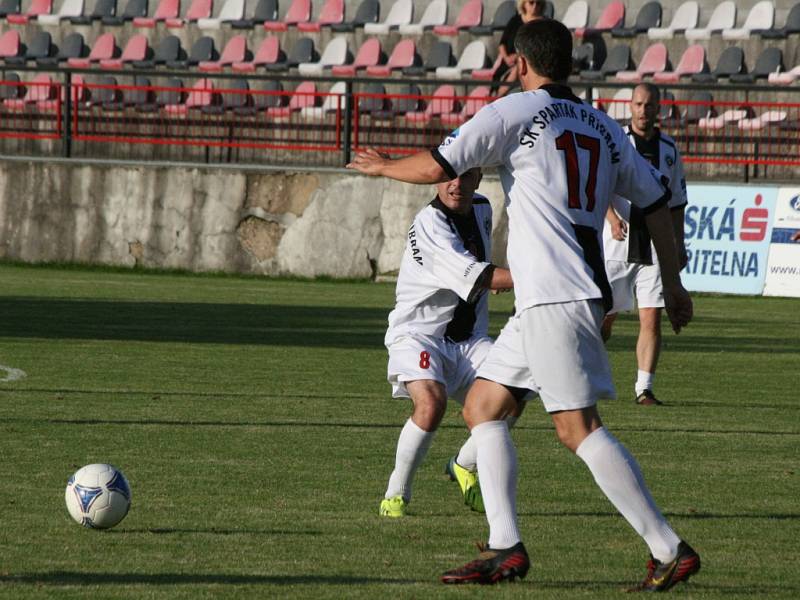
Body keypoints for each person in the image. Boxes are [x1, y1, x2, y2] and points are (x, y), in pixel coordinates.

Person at [348, 19, 700, 592]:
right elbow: (658, 202)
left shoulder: (515, 110)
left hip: (554, 296)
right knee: (482, 407)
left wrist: (384, 165)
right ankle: (506, 546)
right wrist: (676, 281)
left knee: (578, 428)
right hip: (563, 293)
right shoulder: (605, 127)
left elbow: (439, 165)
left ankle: (669, 548)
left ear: (517, 61)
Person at [380, 168, 530, 518]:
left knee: (514, 392)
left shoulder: (482, 207)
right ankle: (396, 493)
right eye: (449, 176)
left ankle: (464, 464)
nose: (456, 185)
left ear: (478, 179)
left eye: (465, 177)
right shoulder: (430, 225)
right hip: (419, 334)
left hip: (468, 341)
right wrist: (543, 281)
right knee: (431, 404)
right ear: (434, 177)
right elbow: (482, 277)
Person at [601, 83, 688, 406]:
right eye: (638, 104)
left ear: (658, 109)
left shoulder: (669, 149)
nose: (643, 110)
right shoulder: (616, 141)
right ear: (631, 106)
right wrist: (611, 218)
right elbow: (600, 185)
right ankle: (586, 373)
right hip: (618, 243)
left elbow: (677, 202)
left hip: (652, 247)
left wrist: (677, 244)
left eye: (649, 105)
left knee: (651, 317)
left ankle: (644, 388)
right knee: (604, 318)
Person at [494, 0, 547, 95]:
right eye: (531, 2)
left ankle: (498, 96)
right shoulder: (515, 21)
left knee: (519, 67)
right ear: (524, 4)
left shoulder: (544, 24)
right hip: (508, 63)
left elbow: (541, 47)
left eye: (538, 3)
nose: (535, 6)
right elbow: (502, 43)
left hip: (531, 63)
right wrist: (506, 58)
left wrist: (519, 56)